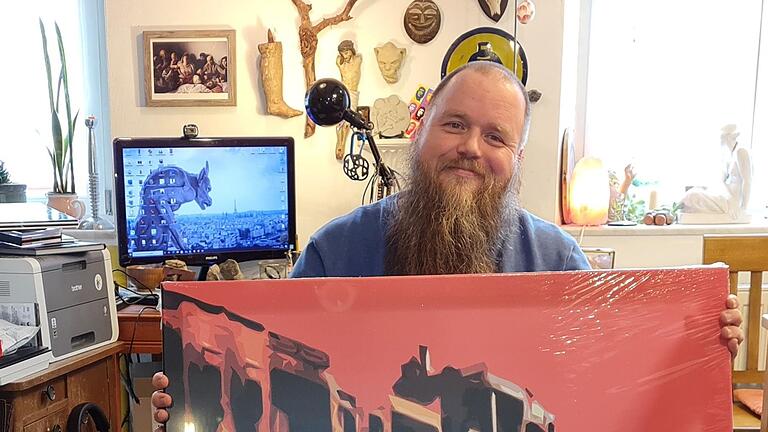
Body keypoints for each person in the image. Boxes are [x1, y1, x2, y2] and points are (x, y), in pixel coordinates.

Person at [150, 61, 743, 427]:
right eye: (455, 124)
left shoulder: (558, 263)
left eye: (496, 136)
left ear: (516, 159)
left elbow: (608, 386)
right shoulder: (335, 252)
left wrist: (697, 337)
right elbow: (275, 373)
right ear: (420, 130)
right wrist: (184, 398)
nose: (471, 148)